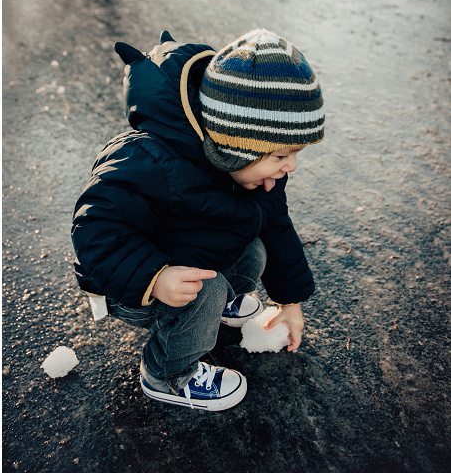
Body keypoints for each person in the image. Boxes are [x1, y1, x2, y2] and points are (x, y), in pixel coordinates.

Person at [71, 29, 324, 411]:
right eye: (280, 154)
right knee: (203, 292)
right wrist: (155, 278)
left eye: (295, 153)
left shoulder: (260, 173)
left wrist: (291, 301)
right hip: (126, 281)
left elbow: (277, 226)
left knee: (256, 247)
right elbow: (96, 230)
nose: (290, 166)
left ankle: (218, 303)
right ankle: (166, 373)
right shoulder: (151, 162)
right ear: (236, 145)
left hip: (189, 253)